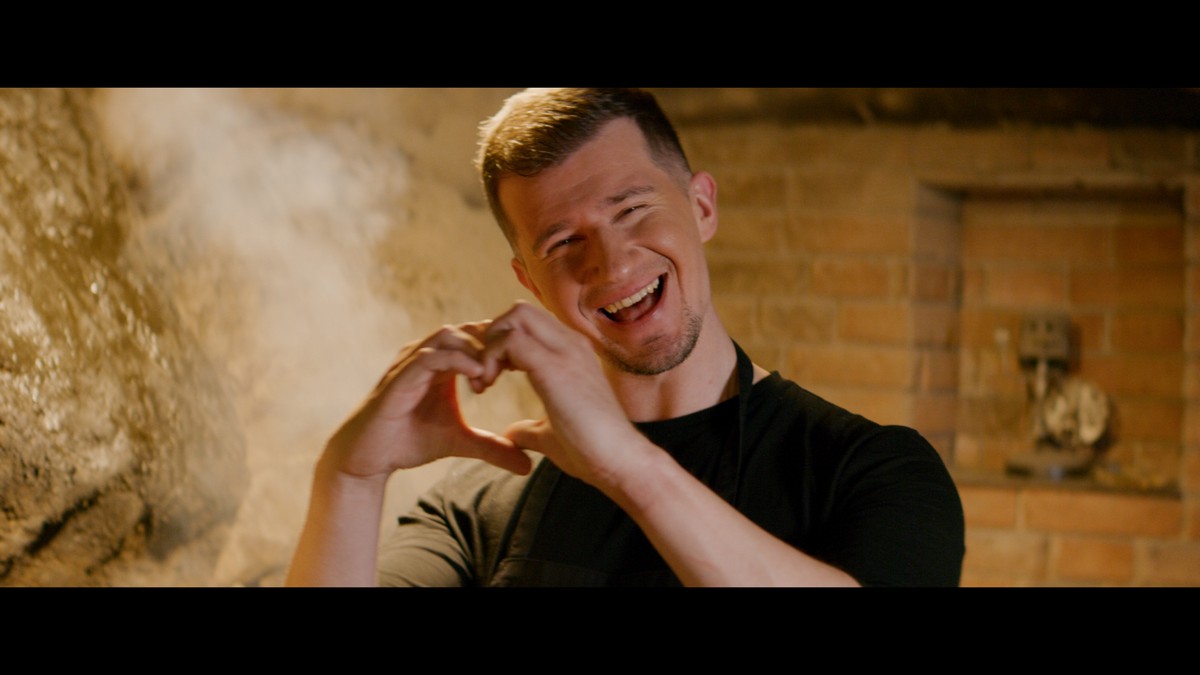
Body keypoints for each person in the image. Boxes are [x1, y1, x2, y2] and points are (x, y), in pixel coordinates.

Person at [285, 88, 964, 587]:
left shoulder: (872, 470)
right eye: (562, 242)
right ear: (529, 282)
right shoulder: (484, 501)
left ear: (702, 206)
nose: (610, 265)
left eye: (633, 209)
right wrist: (348, 477)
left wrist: (627, 465)